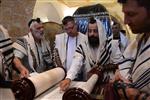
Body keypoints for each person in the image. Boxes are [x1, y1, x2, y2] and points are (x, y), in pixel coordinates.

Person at [59, 17, 123, 91]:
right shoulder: (83, 47)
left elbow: (121, 63)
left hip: (108, 84)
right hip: (89, 85)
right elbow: (76, 62)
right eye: (90, 31)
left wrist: (118, 70)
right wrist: (68, 78)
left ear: (100, 32)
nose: (92, 34)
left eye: (95, 31)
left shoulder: (111, 45)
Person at [114, 0, 150, 99]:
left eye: (131, 14)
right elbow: (120, 70)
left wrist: (138, 96)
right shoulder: (139, 39)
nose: (125, 21)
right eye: (124, 14)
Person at [55, 16, 87, 80]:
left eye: (71, 28)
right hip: (64, 73)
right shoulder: (60, 38)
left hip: (80, 74)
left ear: (76, 25)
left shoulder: (84, 39)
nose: (69, 31)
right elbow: (56, 54)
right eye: (66, 29)